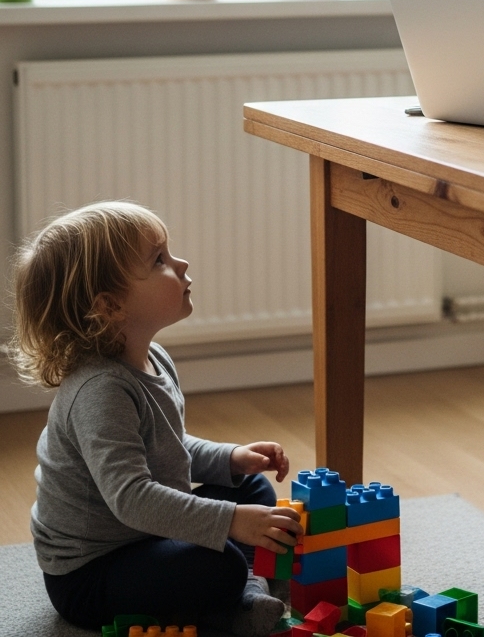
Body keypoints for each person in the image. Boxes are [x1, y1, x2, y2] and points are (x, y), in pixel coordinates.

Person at [10, 201, 303, 637]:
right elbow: (132, 498)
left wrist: (231, 458)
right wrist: (228, 521)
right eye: (159, 260)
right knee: (220, 562)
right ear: (110, 307)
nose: (181, 263)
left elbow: (168, 445)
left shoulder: (154, 359)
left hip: (144, 535)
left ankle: (244, 586)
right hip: (92, 572)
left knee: (253, 489)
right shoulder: (99, 391)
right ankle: (239, 595)